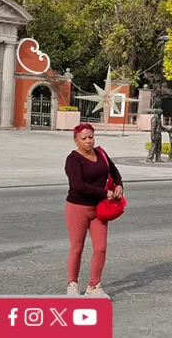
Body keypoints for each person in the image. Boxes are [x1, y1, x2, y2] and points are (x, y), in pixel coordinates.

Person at [64, 123, 124, 295]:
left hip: (99, 209)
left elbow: (114, 171)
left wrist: (119, 185)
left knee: (100, 247)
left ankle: (94, 285)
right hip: (78, 208)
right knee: (77, 248)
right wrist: (105, 193)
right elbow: (78, 186)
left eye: (90, 137)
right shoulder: (73, 159)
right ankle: (72, 284)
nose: (88, 141)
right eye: (83, 138)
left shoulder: (101, 153)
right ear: (76, 140)